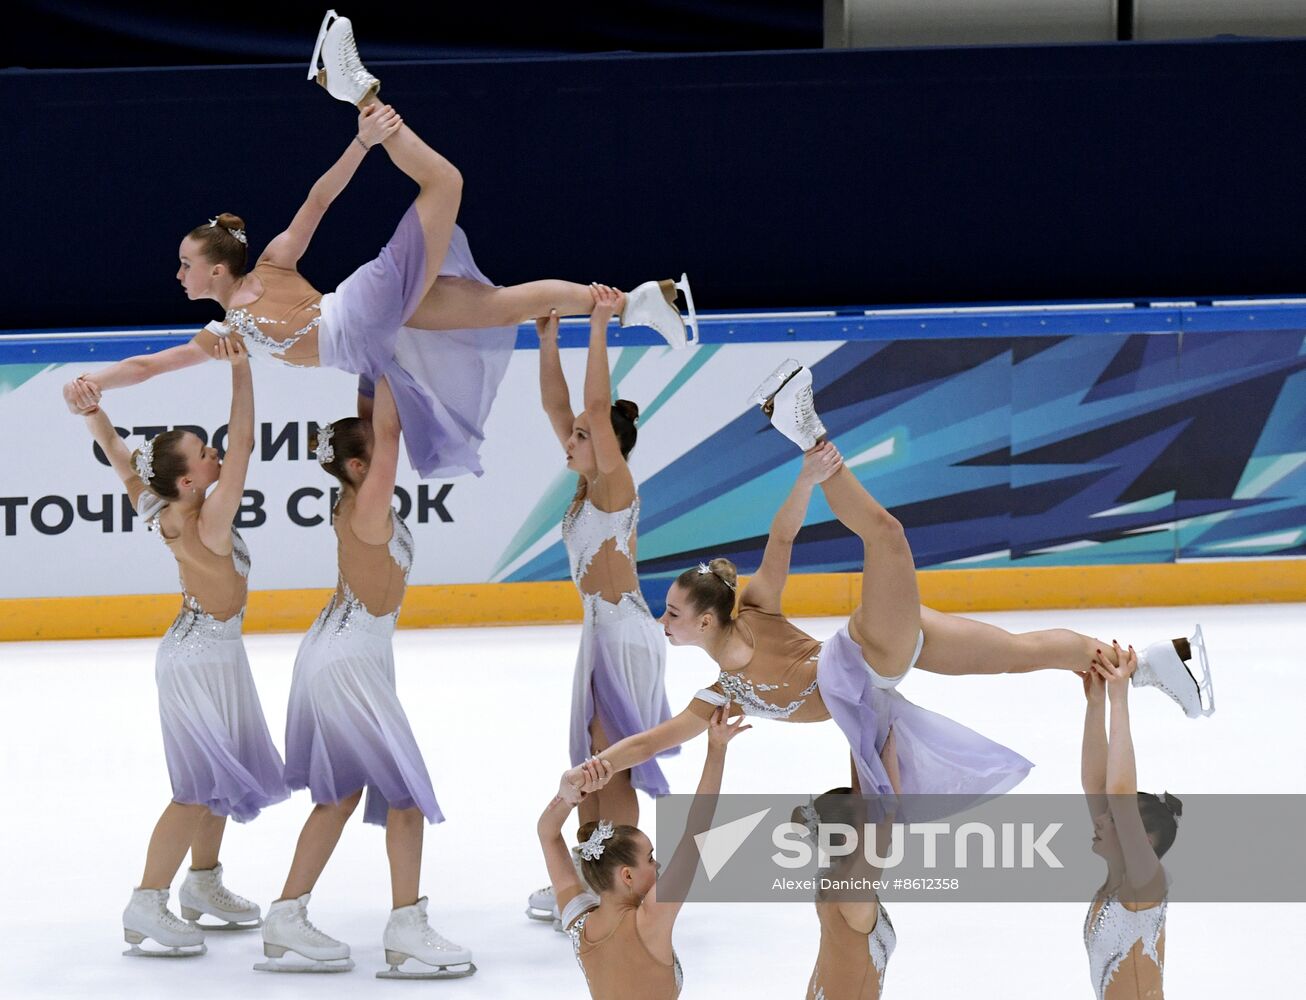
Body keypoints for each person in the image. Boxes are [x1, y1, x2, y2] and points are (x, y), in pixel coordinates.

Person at [62, 11, 696, 479]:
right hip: (378, 343)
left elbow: (317, 201)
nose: (177, 274)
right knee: (501, 306)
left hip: (362, 312)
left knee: (445, 182)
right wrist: (97, 382)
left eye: (185, 263)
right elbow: (150, 365)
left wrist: (363, 141)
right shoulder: (228, 332)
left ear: (219, 267)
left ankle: (358, 90)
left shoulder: (273, 267)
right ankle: (645, 302)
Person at [558, 363, 1214, 805]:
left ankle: (803, 426)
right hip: (886, 667)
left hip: (870, 652)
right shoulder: (716, 693)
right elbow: (656, 739)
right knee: (1029, 655)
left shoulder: (755, 606)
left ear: (707, 620)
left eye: (670, 613)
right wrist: (603, 765)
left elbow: (780, 540)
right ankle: (1156, 667)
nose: (661, 620)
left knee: (887, 535)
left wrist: (807, 479)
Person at [256, 377, 472, 979]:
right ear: (358, 465)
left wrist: (374, 362)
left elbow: (372, 421)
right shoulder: (368, 503)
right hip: (348, 660)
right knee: (404, 796)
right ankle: (405, 929)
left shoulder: (352, 495)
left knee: (342, 794)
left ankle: (285, 917)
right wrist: (401, 356)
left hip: (344, 649)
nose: (391, 458)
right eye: (377, 455)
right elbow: (388, 431)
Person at [80, 336, 286, 957]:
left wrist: (94, 410)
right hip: (199, 660)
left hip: (211, 654)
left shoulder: (163, 507)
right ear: (190, 478)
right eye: (204, 450)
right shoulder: (209, 517)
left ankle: (202, 884)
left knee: (219, 777)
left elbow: (119, 456)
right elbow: (245, 444)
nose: (216, 450)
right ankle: (146, 901)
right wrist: (241, 370)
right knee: (196, 787)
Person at [525, 286, 676, 925]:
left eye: (583, 437)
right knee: (594, 761)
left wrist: (600, 323)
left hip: (624, 635)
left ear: (608, 444)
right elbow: (562, 405)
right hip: (602, 635)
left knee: (612, 767)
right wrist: (547, 340)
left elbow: (589, 404)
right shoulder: (589, 480)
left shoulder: (614, 483)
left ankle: (625, 886)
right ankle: (594, 876)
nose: (570, 439)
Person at [537, 706, 750, 999]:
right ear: (627, 875)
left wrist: (566, 797)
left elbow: (548, 835)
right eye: (650, 858)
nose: (658, 864)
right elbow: (697, 831)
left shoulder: (579, 922)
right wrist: (717, 748)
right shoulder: (650, 919)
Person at [1081, 643, 1179, 1000]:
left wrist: (1119, 698)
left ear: (1145, 841)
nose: (1101, 820)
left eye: (1116, 820)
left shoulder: (1144, 884)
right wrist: (1096, 703)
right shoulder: (1120, 883)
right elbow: (1097, 785)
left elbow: (1120, 793)